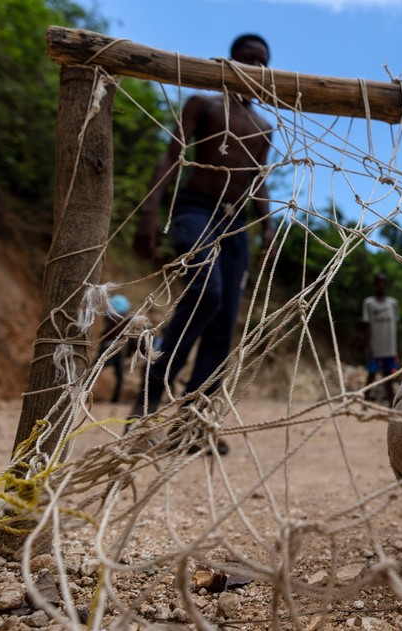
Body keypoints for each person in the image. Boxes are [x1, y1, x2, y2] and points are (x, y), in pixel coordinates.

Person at [129, 33, 276, 446]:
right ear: (230, 61)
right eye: (245, 57)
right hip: (195, 209)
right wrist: (150, 211)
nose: (251, 65)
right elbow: (172, 153)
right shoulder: (204, 104)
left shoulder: (264, 127)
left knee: (224, 322)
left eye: (259, 61)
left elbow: (258, 182)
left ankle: (192, 422)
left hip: (236, 225)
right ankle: (148, 396)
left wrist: (268, 227)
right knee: (205, 292)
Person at [362, 273, 399, 405]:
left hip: (390, 349)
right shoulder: (369, 303)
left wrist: (397, 348)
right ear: (375, 284)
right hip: (375, 348)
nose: (381, 285)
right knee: (371, 376)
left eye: (383, 282)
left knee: (388, 379)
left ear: (386, 284)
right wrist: (368, 347)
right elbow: (366, 326)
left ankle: (391, 406)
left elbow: (395, 327)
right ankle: (364, 405)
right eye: (379, 282)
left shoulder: (392, 303)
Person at [99, 294, 132, 403]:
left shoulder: (109, 317)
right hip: (120, 349)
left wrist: (101, 341)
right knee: (119, 375)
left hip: (107, 348)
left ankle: (83, 391)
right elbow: (132, 339)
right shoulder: (128, 320)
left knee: (94, 371)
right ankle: (116, 399)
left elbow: (105, 333)